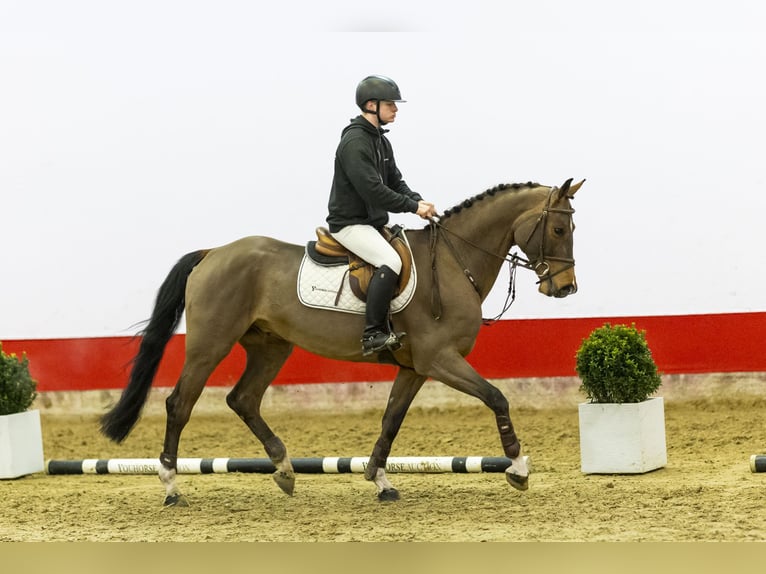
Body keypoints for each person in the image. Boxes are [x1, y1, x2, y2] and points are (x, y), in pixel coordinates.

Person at [327, 75, 437, 356]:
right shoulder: (354, 142)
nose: (396, 109)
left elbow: (395, 182)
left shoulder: (381, 142)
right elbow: (373, 191)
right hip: (350, 224)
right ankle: (373, 333)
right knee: (390, 260)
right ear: (371, 105)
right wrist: (412, 208)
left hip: (373, 224)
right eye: (390, 104)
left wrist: (417, 199)